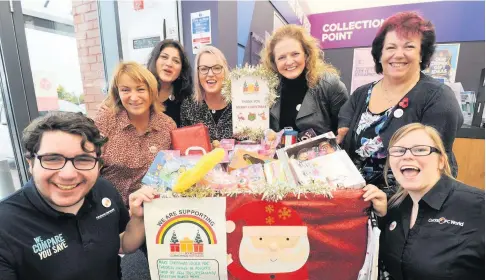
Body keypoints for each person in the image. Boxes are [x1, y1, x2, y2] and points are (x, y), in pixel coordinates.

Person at [0, 112, 158, 280]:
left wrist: (138, 219)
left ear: (98, 164)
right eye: (52, 159)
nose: (68, 174)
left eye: (83, 159)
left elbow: (120, 244)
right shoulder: (5, 226)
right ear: (31, 163)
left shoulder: (104, 190)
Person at [338, 12, 463, 196]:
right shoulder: (361, 94)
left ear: (422, 54)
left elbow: (433, 166)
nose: (398, 54)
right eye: (390, 47)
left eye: (409, 46)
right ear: (380, 54)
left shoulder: (438, 98)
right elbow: (344, 134)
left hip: (409, 206)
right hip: (358, 201)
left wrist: (389, 203)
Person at [377, 123, 484, 280]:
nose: (407, 156)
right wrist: (380, 215)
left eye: (420, 149)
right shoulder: (394, 207)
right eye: (398, 151)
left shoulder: (479, 207)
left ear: (441, 161)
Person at [95, 62, 176, 204]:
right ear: (117, 93)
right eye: (126, 90)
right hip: (112, 211)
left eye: (140, 89)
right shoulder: (105, 122)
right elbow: (90, 169)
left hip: (154, 210)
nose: (134, 97)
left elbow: (171, 173)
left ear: (151, 91)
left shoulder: (167, 125)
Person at [260, 24, 348, 135]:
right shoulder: (268, 88)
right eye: (282, 57)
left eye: (295, 54)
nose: (289, 62)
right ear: (274, 62)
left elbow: (344, 129)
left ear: (306, 55)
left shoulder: (329, 84)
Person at [180, 45, 232, 141]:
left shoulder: (239, 103)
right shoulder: (189, 106)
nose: (210, 74)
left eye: (217, 68)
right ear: (198, 74)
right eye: (204, 69)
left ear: (225, 71)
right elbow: (186, 149)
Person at [146, 39, 193, 127]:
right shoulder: (141, 91)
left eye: (176, 61)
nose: (169, 64)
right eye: (164, 57)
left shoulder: (187, 98)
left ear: (181, 70)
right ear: (155, 60)